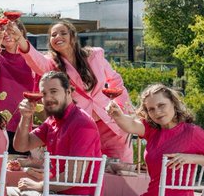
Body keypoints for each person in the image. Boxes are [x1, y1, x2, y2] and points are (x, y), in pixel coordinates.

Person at [22, 20, 130, 161]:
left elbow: (116, 81)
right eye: (53, 35)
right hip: (81, 127)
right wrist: (19, 39)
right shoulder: (51, 64)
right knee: (85, 171)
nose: (57, 37)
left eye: (63, 33)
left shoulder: (94, 55)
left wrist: (121, 109)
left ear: (73, 37)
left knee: (118, 171)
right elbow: (35, 59)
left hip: (109, 125)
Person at [0, 19, 40, 149]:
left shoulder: (31, 57)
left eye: (10, 30)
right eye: (2, 31)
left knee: (19, 164)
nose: (6, 34)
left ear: (20, 32)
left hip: (24, 121)